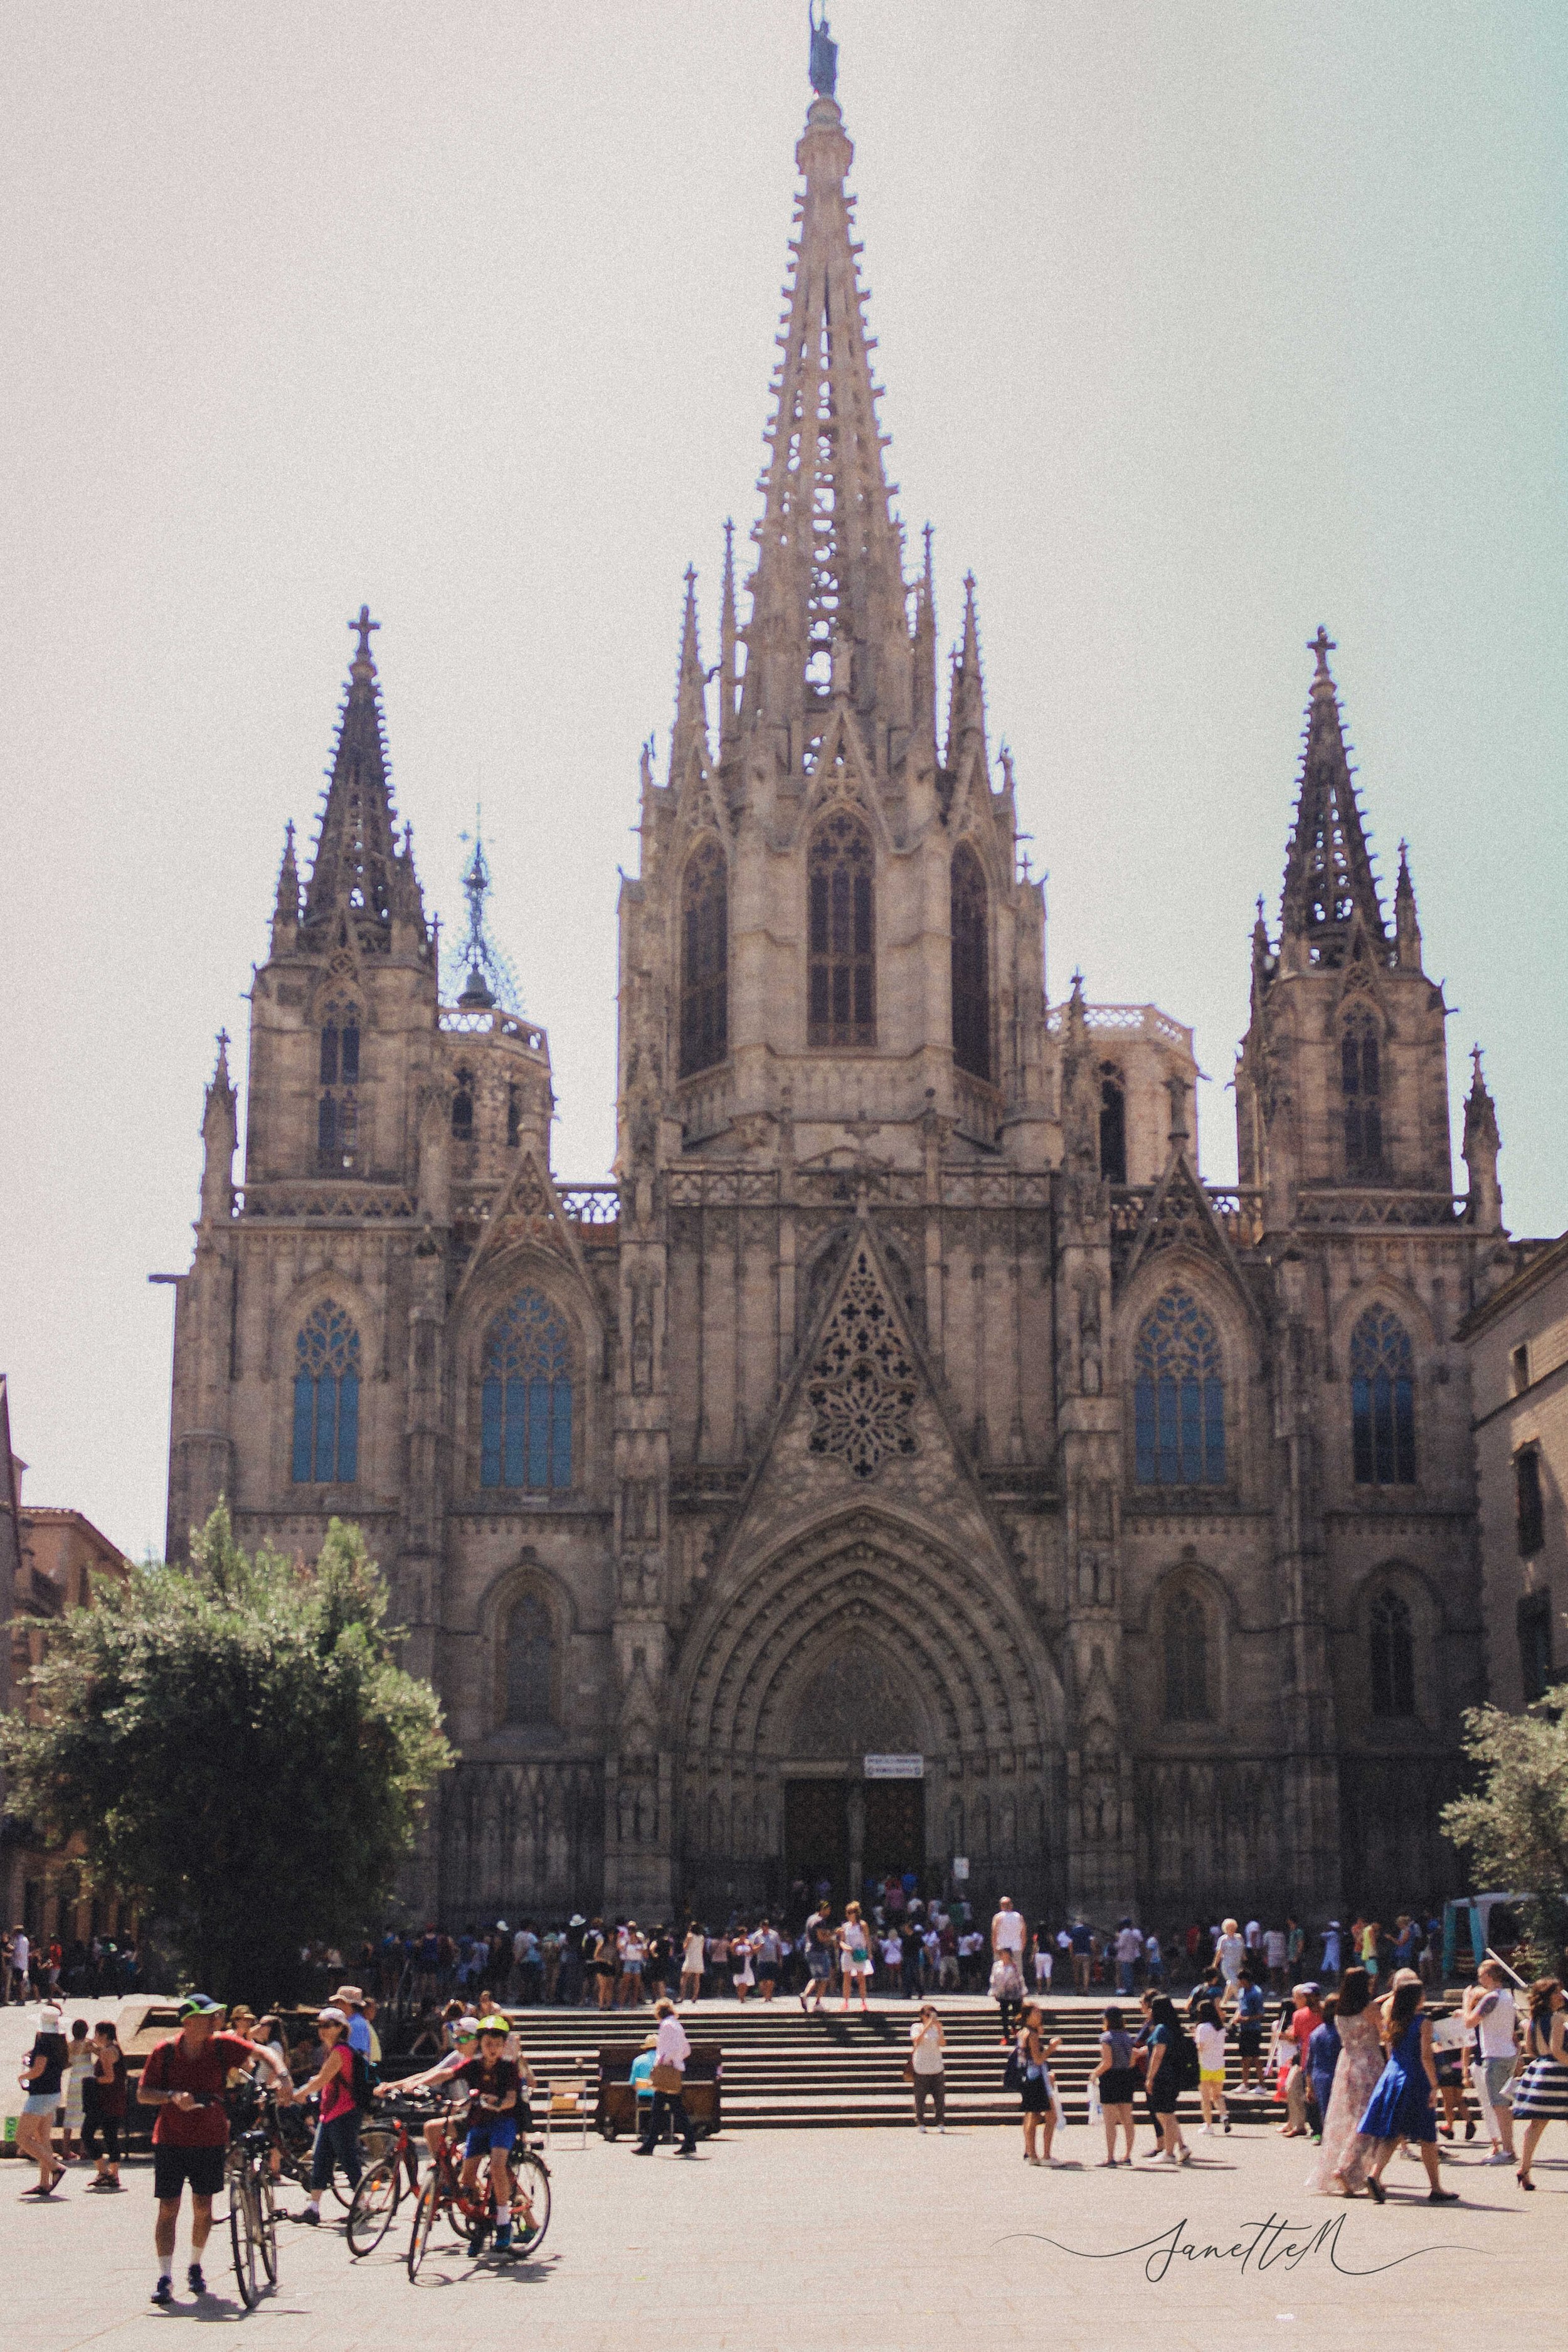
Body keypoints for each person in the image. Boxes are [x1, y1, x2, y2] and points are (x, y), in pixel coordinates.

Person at [139, 1993, 292, 2304]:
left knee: (203, 2207)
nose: (217, 2021)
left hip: (209, 2138)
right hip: (170, 2138)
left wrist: (284, 2075)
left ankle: (195, 2265)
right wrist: (171, 2096)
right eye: (210, 2016)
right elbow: (143, 2093)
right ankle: (165, 2276)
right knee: (168, 2208)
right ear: (190, 2021)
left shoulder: (222, 2045)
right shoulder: (165, 2051)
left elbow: (263, 2052)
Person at [1346, 1971, 1458, 2205]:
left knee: (1395, 2132)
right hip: (1415, 2078)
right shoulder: (1423, 2022)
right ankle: (1436, 2188)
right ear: (1417, 1998)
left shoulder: (1393, 2020)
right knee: (1427, 2135)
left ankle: (1375, 2175)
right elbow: (1426, 2056)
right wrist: (1434, 2085)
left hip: (1392, 2076)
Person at [1512, 1975, 1568, 2190]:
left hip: (1541, 2072)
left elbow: (1531, 2050)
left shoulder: (1535, 2019)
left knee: (1536, 2125)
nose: (1561, 1995)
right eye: (1556, 1992)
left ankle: (1524, 2169)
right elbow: (1558, 2050)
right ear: (1547, 1997)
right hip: (1561, 2074)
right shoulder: (1557, 2019)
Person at [1463, 1960, 1519, 2166]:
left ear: (1490, 1976)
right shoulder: (1508, 1996)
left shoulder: (1491, 1997)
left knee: (1499, 2106)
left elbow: (1470, 2022)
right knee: (1502, 2104)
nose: (1479, 1978)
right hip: (1508, 2054)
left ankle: (1508, 2151)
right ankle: (1507, 2148)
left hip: (1495, 2056)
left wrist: (1466, 2001)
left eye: (1481, 1974)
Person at [16, 2001, 68, 2195]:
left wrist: (23, 2076)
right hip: (53, 2093)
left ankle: (56, 2168)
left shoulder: (44, 2044)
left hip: (40, 2095)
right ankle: (45, 2183)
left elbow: (38, 2070)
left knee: (22, 2137)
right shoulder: (60, 2043)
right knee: (43, 2138)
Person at [635, 1997, 697, 2156]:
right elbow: (686, 2049)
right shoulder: (677, 2025)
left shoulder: (667, 2025)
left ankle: (650, 2144)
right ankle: (688, 2141)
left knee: (660, 2109)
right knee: (675, 2109)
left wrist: (664, 2060)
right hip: (674, 2069)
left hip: (666, 2070)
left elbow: (674, 2048)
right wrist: (677, 2060)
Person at [1141, 1993, 1191, 2165]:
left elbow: (1157, 2055)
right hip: (1174, 2075)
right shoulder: (1174, 2028)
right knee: (1168, 2114)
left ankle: (1169, 2153)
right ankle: (1181, 2147)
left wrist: (1150, 2078)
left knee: (1164, 2114)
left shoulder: (1162, 2029)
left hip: (1163, 2076)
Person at [1015, 2003, 1062, 2166]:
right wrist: (1051, 2048)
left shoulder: (1023, 2033)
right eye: (1036, 2012)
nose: (1040, 2015)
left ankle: (1032, 2153)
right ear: (1028, 2015)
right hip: (1036, 2080)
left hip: (1027, 2078)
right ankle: (1046, 2156)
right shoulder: (1032, 2035)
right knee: (1051, 2116)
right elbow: (1038, 2059)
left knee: (1032, 2115)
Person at [83, 2020, 128, 2190]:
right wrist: (95, 2049)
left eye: (96, 2034)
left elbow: (109, 2077)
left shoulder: (107, 2052)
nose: (95, 2037)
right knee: (110, 2136)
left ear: (103, 2035)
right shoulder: (113, 2048)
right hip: (116, 2099)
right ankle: (113, 2174)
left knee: (87, 2134)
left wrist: (92, 2081)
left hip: (104, 2101)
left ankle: (103, 2170)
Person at [1094, 2004, 1137, 2166]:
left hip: (1110, 2079)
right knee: (1127, 2118)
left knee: (1110, 2121)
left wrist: (1095, 2073)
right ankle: (1127, 2155)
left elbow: (1107, 2062)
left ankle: (1110, 2156)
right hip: (1126, 2077)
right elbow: (1132, 2060)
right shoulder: (1127, 2037)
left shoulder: (1106, 2038)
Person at [1193, 1996, 1231, 2134]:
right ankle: (1224, 2116)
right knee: (1217, 2095)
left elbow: (1200, 2047)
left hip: (1204, 2065)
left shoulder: (1202, 2027)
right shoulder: (1220, 2028)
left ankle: (1208, 2125)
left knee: (1205, 2098)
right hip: (1219, 2065)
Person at [61, 2016, 94, 2161]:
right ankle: (84, 2149)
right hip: (87, 2079)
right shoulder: (88, 2044)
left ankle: (65, 2149)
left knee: (70, 2114)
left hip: (74, 2079)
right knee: (86, 2114)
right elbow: (100, 2052)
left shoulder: (69, 2045)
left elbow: (67, 2063)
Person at [909, 2003, 946, 2131]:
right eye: (927, 2015)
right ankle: (920, 2122)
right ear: (922, 2016)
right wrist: (927, 2027)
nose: (930, 2017)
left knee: (940, 2097)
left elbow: (942, 2043)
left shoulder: (937, 2028)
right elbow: (916, 2041)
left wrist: (939, 2030)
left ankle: (940, 2122)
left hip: (936, 2066)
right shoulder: (916, 2027)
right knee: (920, 2097)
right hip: (921, 2067)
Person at [839, 1904, 873, 2013]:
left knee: (861, 1978)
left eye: (850, 1913)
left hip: (859, 1954)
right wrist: (845, 1947)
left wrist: (870, 1952)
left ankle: (863, 2001)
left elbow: (867, 1939)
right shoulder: (845, 1926)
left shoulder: (862, 1925)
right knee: (847, 1978)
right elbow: (842, 1941)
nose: (848, 1915)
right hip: (848, 1954)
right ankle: (846, 2001)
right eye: (847, 1913)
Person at [802, 1914, 833, 2013]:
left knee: (816, 1977)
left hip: (810, 1951)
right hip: (819, 1952)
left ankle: (805, 1995)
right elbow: (821, 1938)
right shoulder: (819, 1921)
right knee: (824, 1978)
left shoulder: (810, 1919)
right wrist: (831, 1937)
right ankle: (818, 2003)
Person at [680, 1922, 706, 2005]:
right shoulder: (702, 1937)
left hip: (690, 1958)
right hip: (699, 1958)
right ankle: (695, 1997)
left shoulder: (690, 1936)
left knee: (685, 1978)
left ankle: (682, 1996)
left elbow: (685, 1947)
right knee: (697, 1979)